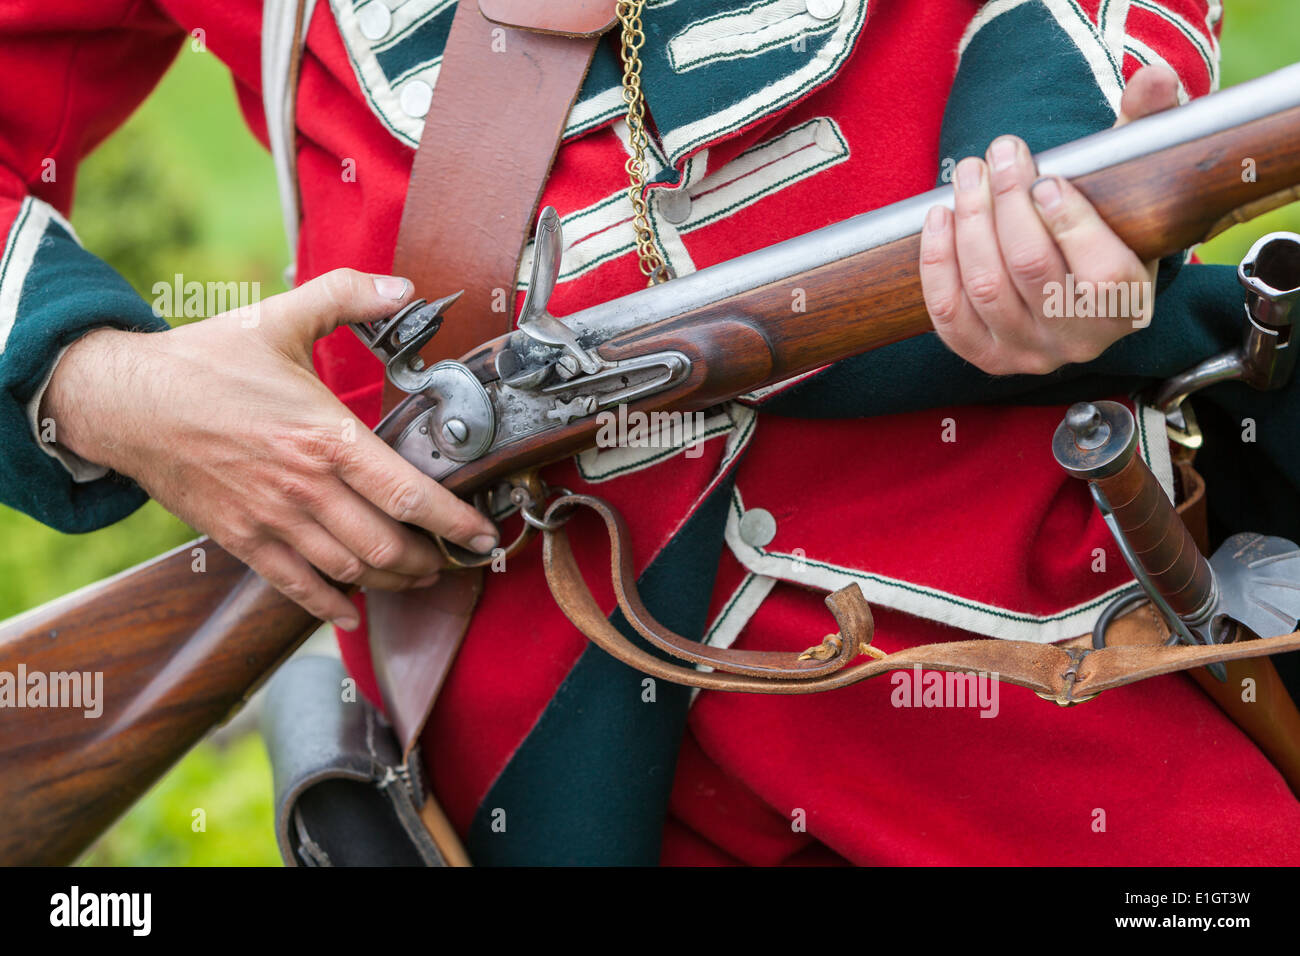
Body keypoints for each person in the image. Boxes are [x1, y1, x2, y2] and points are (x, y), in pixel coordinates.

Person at [2, 0, 1297, 864]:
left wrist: (1050, 212)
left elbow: (1089, 65)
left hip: (1052, 705)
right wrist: (98, 377)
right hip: (510, 765)